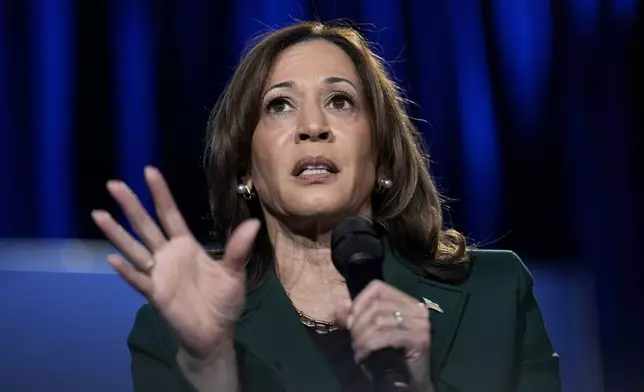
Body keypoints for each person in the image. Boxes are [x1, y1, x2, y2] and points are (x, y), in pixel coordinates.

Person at [91, 21, 561, 392]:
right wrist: (212, 367)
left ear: (383, 161)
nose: (313, 126)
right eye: (279, 106)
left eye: (340, 101)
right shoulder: (172, 331)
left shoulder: (495, 295)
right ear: (244, 170)